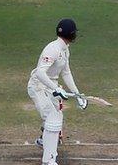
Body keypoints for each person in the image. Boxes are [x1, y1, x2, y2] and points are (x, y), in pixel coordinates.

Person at [27, 19, 87, 165]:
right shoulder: (52, 49)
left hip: (51, 86)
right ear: (71, 34)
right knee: (53, 119)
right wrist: (57, 89)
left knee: (57, 119)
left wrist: (78, 94)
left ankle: (44, 140)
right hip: (38, 87)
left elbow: (66, 73)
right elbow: (41, 73)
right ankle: (48, 160)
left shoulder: (65, 49)